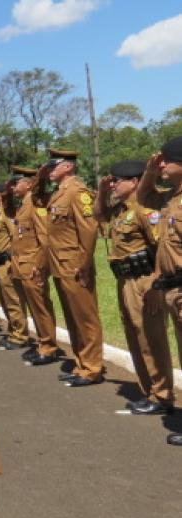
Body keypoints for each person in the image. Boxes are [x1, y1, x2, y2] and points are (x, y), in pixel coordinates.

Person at [94, 160, 173, 415]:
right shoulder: (120, 209)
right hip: (125, 280)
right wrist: (102, 192)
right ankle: (149, 391)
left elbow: (161, 247)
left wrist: (156, 285)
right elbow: (98, 215)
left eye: (117, 181)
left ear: (135, 182)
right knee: (135, 336)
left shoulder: (145, 209)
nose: (113, 185)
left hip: (144, 280)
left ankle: (162, 395)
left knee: (151, 339)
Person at [36, 148, 104, 387]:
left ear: (68, 166)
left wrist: (84, 265)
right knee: (73, 318)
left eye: (52, 166)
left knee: (86, 318)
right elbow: (37, 199)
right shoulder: (58, 193)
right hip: (60, 266)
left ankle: (92, 368)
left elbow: (88, 230)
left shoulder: (77, 192)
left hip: (74, 267)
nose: (48, 170)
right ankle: (81, 365)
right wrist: (41, 178)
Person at [138, 137, 182, 445]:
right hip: (172, 288)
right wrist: (150, 173)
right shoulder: (171, 198)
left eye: (167, 160)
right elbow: (143, 197)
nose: (161, 163)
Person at [10, 166, 60, 365]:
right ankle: (42, 343)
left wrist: (39, 265)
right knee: (34, 308)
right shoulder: (23, 204)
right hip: (22, 265)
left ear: (29, 184)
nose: (12, 187)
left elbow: (44, 238)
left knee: (41, 308)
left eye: (16, 183)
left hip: (32, 266)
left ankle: (48, 348)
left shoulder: (35, 203)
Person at [0, 182, 29, 350]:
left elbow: (16, 237)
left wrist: (13, 260)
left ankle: (20, 335)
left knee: (13, 300)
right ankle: (13, 330)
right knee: (4, 300)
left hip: (6, 263)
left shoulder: (7, 215)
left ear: (0, 196)